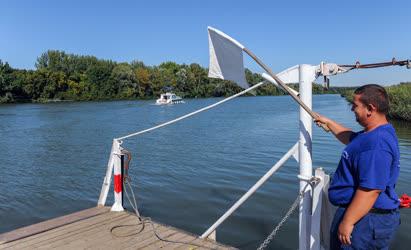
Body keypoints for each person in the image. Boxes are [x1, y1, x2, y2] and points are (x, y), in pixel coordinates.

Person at [314, 84, 400, 249]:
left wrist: (348, 221)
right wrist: (329, 122)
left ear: (370, 108)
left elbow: (370, 190)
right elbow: (351, 138)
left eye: (355, 105)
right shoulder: (374, 133)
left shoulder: (376, 144)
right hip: (363, 216)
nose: (352, 108)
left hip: (365, 221)